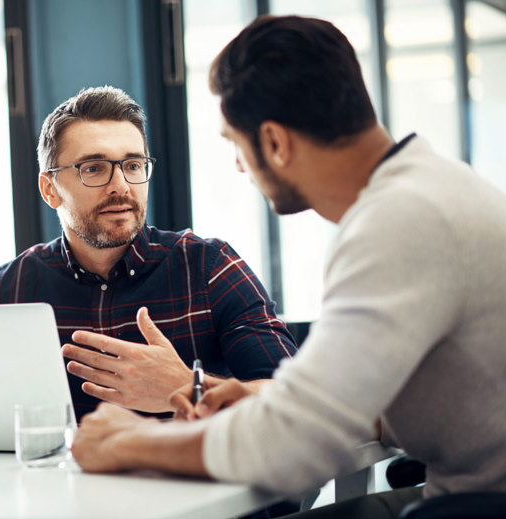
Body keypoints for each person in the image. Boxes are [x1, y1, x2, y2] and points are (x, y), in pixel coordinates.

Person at [70, 15, 506, 518]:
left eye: (236, 143)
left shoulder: (399, 223)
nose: (238, 166)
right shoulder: (430, 188)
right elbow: (362, 400)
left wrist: (131, 440)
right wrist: (263, 396)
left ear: (275, 143)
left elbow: (296, 447)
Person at [0, 86, 296, 440]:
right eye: (94, 168)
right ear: (50, 189)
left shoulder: (208, 266)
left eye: (133, 165)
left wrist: (188, 387)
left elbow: (293, 399)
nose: (120, 186)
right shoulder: (13, 286)